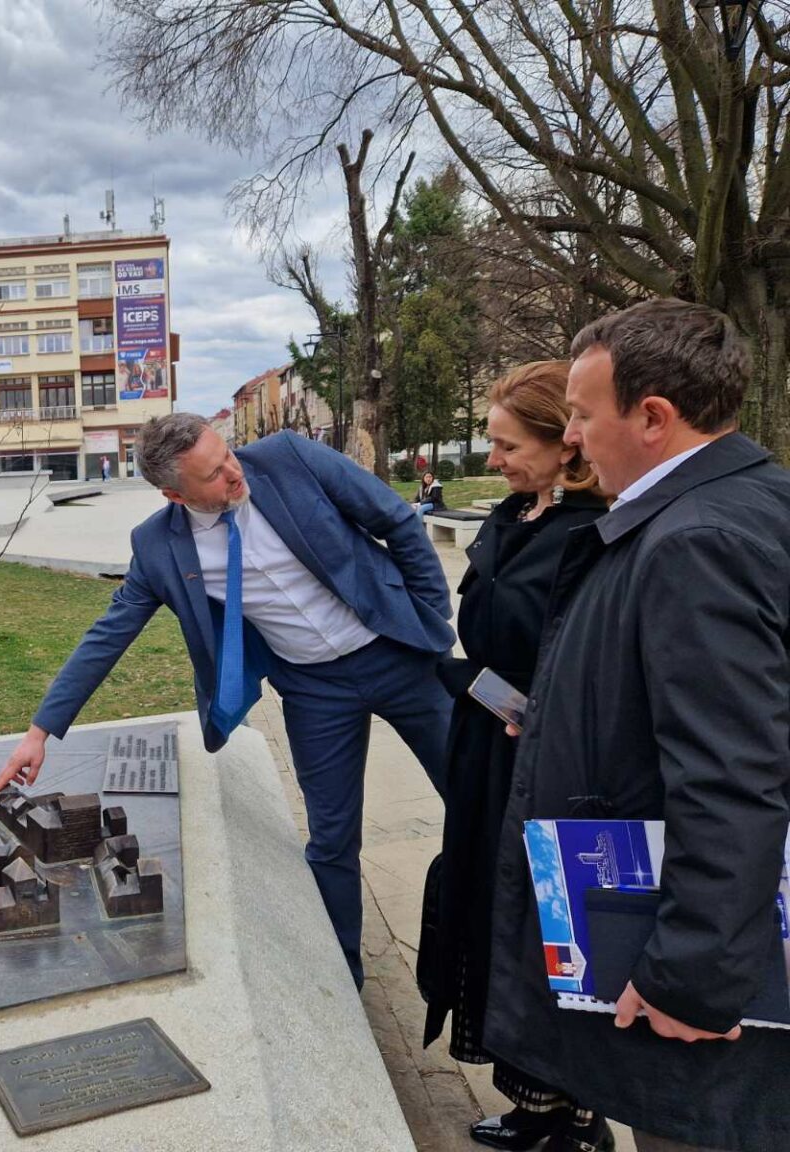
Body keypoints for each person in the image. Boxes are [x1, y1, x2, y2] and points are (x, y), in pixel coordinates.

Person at [0, 412, 455, 986]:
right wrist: (41, 731)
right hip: (315, 690)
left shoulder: (290, 459)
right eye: (213, 475)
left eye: (228, 456)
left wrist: (433, 617)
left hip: (396, 655)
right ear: (173, 493)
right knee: (332, 839)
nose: (233, 474)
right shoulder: (159, 547)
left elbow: (397, 521)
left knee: (475, 796)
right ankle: (344, 982)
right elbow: (109, 634)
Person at [484, 299, 790, 1152]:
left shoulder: (697, 541)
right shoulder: (737, 502)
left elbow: (732, 772)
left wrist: (693, 977)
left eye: (582, 415)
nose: (572, 438)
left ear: (652, 417)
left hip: (701, 1008)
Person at [418, 362, 611, 1151]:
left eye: (506, 444)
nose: (492, 460)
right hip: (484, 750)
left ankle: (575, 1113)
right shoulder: (510, 516)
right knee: (488, 914)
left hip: (548, 764)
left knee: (542, 926)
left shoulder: (591, 536)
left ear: (565, 446)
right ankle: (535, 1105)